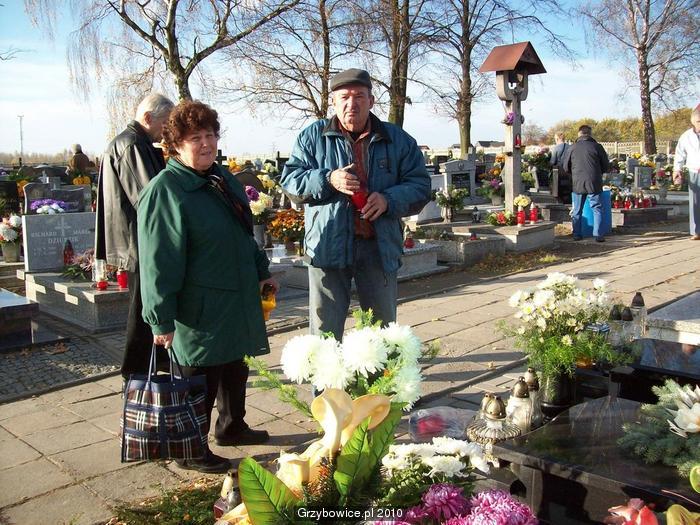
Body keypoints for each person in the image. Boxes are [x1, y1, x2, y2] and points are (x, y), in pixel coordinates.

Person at [138, 100, 278, 473]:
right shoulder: (166, 191)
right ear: (175, 145)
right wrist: (160, 318)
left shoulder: (219, 179)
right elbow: (157, 261)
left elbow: (242, 232)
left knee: (235, 366)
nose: (206, 144)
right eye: (195, 138)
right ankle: (190, 449)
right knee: (199, 378)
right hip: (198, 307)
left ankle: (232, 427)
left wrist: (261, 270)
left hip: (235, 296)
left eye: (210, 135)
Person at [280, 68, 431, 340]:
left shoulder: (397, 139)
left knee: (382, 334)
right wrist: (328, 179)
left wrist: (388, 200)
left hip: (378, 248)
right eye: (344, 97)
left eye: (359, 96)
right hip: (328, 249)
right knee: (324, 336)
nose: (352, 103)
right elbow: (291, 182)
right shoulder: (312, 137)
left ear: (371, 101)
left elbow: (420, 185)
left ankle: (381, 370)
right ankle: (326, 372)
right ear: (333, 102)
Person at [94, 93, 175, 378]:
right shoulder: (131, 145)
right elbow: (148, 195)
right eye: (165, 123)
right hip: (137, 240)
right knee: (143, 307)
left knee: (147, 304)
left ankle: (158, 360)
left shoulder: (136, 142)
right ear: (148, 117)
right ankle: (134, 371)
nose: (167, 130)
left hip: (138, 237)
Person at [562, 125, 609, 242]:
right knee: (597, 208)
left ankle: (577, 234)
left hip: (578, 182)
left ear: (579, 134)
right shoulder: (597, 147)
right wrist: (598, 172)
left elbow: (565, 166)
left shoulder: (572, 148)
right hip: (594, 182)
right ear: (590, 134)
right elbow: (605, 165)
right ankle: (598, 235)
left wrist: (574, 174)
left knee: (577, 210)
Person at [672, 107, 700, 240]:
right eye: (699, 122)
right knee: (695, 202)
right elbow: (679, 154)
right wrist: (677, 170)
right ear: (693, 121)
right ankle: (697, 231)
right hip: (694, 171)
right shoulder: (686, 136)